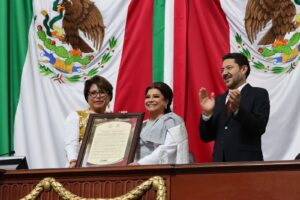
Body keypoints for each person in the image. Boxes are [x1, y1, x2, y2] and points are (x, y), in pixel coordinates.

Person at [199, 52, 270, 162]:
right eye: (222, 70)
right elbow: (206, 137)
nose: (224, 73)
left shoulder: (258, 94)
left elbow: (259, 127)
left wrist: (238, 110)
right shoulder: (218, 100)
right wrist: (207, 114)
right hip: (219, 168)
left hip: (246, 167)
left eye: (229, 68)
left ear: (243, 69)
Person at [134, 82, 189, 165]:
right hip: (134, 172)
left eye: (156, 96)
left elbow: (168, 149)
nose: (150, 100)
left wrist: (140, 164)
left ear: (166, 101)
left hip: (159, 173)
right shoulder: (140, 124)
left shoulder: (173, 120)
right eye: (147, 97)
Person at [64, 75, 113, 168]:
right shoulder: (76, 116)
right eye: (93, 93)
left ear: (109, 96)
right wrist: (73, 162)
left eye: (102, 92)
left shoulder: (117, 119)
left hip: (109, 169)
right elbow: (71, 143)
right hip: (82, 169)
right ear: (87, 96)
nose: (98, 96)